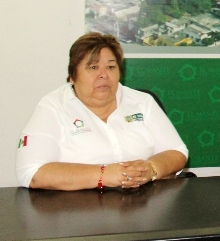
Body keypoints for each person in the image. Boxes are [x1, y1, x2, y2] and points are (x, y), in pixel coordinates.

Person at [16, 33, 188, 190]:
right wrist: (105, 175)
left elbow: (177, 151)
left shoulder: (142, 102)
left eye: (111, 67)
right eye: (93, 67)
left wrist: (151, 169)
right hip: (75, 213)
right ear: (72, 75)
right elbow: (32, 173)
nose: (103, 75)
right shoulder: (52, 108)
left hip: (141, 209)